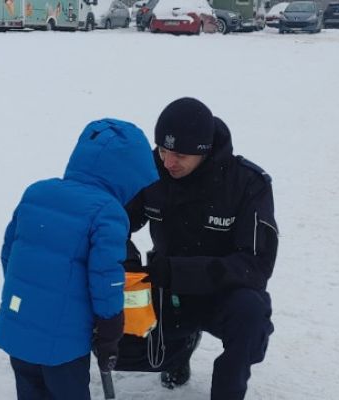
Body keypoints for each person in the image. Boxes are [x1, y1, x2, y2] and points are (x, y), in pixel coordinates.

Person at [117, 98, 278, 400]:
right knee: (122, 346)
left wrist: (179, 272)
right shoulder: (153, 171)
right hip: (168, 288)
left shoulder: (247, 184)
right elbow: (113, 224)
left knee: (250, 319)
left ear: (205, 151)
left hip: (224, 292)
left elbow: (255, 266)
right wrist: (127, 261)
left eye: (179, 154)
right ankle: (178, 350)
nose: (168, 162)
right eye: (163, 150)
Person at [0, 119, 159, 400]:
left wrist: (31, 299)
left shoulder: (37, 193)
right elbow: (105, 277)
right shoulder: (107, 212)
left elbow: (9, 255)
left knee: (30, 390)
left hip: (18, 324)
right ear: (127, 176)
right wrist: (110, 327)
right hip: (63, 340)